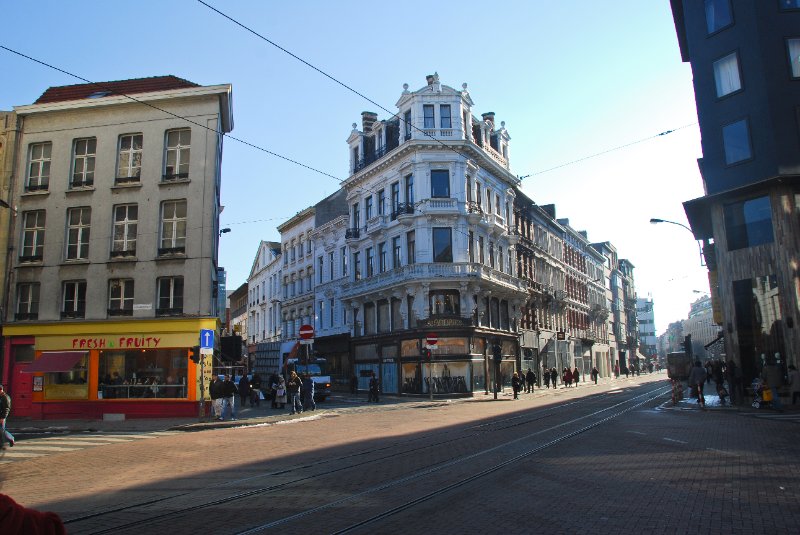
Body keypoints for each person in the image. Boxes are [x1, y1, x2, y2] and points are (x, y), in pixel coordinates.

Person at [0, 384, 14, 449]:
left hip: (2, 416)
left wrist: (3, 417)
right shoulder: (1, 397)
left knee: (2, 430)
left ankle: (10, 438)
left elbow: (6, 408)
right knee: (1, 430)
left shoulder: (5, 397)